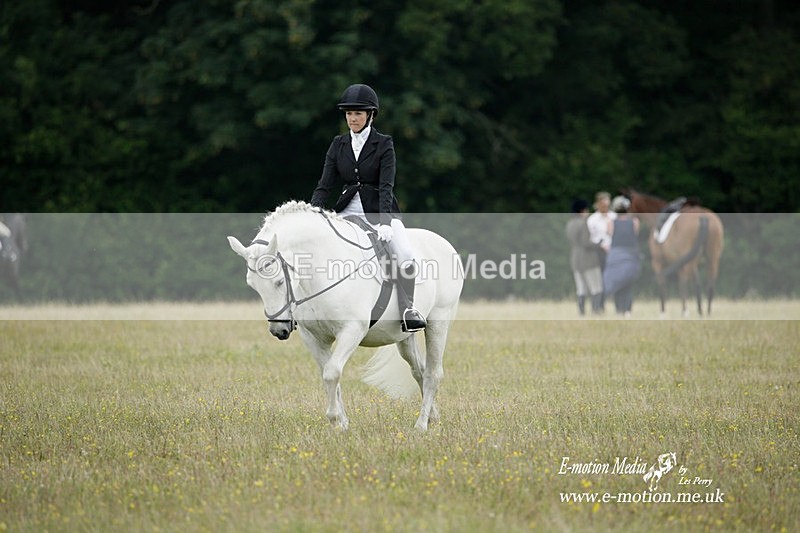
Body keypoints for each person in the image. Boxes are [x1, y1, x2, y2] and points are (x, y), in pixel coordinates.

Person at [310, 84, 426, 332]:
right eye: (349, 113)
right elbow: (325, 185)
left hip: (379, 209)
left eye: (358, 114)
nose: (352, 118)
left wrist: (385, 221)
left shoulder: (384, 144)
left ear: (371, 115)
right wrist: (312, 214)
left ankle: (408, 309)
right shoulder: (338, 144)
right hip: (346, 211)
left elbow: (386, 186)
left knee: (404, 254)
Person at [602, 195, 641, 316]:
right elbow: (635, 235)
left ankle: (619, 310)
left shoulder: (610, 223)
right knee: (627, 284)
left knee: (617, 283)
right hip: (630, 255)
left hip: (616, 255)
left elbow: (608, 234)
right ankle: (627, 310)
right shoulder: (634, 222)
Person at [565, 199, 604, 315]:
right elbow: (586, 243)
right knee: (596, 287)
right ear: (582, 211)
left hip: (575, 258)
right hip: (588, 259)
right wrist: (599, 244)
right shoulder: (583, 223)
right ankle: (596, 311)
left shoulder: (570, 223)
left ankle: (581, 313)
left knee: (581, 288)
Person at [587, 191, 617, 311]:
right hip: (598, 252)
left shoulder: (614, 217)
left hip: (613, 251)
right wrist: (600, 245)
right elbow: (590, 238)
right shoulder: (592, 220)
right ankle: (597, 306)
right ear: (598, 204)